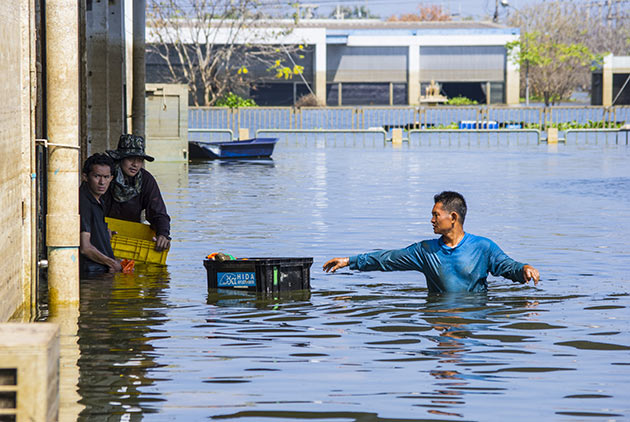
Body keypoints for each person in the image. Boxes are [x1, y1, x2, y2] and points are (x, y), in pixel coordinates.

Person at [323, 191, 540, 293]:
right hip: (438, 316)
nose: (432, 220)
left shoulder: (483, 248)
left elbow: (507, 267)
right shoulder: (425, 251)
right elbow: (387, 259)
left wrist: (524, 269)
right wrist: (349, 261)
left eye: (436, 215)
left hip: (475, 319)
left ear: (453, 217)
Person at [105, 134, 171, 251]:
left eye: (139, 160)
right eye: (130, 159)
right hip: (102, 233)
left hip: (130, 236)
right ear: (120, 158)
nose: (135, 165)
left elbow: (158, 212)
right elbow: (90, 207)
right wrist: (100, 228)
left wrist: (163, 234)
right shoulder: (106, 175)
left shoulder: (146, 180)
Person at [79, 153, 122, 274]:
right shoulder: (83, 202)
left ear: (111, 178)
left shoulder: (99, 200)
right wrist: (113, 263)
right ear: (85, 177)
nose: (102, 182)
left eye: (106, 177)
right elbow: (85, 248)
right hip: (91, 274)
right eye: (97, 176)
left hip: (100, 271)